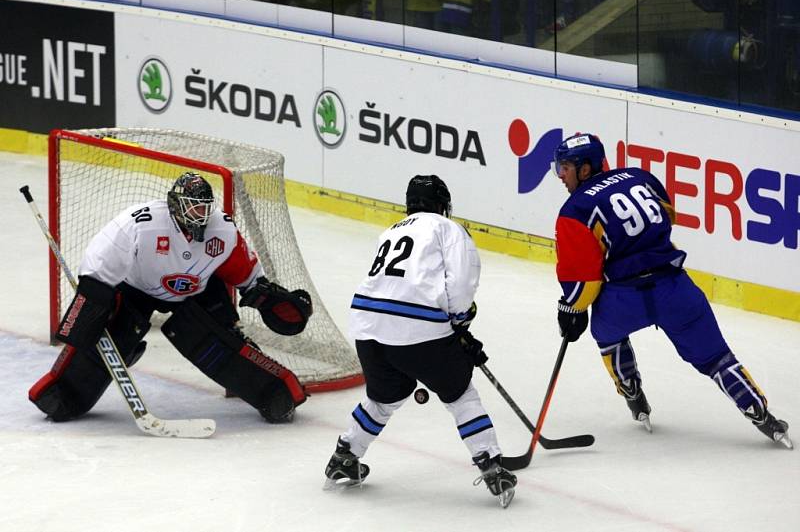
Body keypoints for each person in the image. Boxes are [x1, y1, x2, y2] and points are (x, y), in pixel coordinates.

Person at [552, 133, 792, 448]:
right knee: (718, 358)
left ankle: (633, 395)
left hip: (623, 301)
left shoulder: (573, 211)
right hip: (675, 290)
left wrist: (570, 310)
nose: (560, 176)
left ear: (585, 169)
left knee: (607, 336)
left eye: (565, 168)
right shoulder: (639, 176)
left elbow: (585, 282)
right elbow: (668, 214)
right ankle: (762, 414)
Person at [29, 172, 313, 424]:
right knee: (109, 339)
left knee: (221, 345)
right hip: (137, 289)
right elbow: (100, 262)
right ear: (176, 204)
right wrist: (91, 301)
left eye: (204, 207)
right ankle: (62, 393)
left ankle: (277, 393)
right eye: (193, 206)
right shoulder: (142, 224)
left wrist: (261, 294)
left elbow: (248, 275)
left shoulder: (222, 231)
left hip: (200, 292)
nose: (200, 213)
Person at [323, 175, 517, 507]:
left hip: (367, 326)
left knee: (385, 396)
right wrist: (459, 321)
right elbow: (462, 283)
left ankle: (346, 455)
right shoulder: (448, 229)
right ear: (443, 204)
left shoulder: (391, 231)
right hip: (417, 328)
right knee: (459, 393)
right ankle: (492, 464)